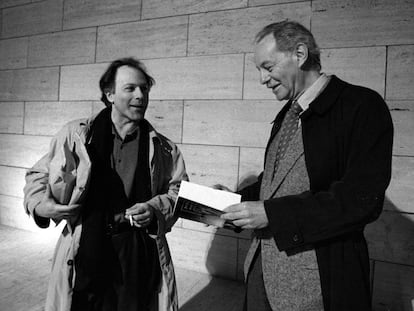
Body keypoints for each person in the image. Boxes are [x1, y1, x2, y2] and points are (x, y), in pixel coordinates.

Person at [220, 21, 393, 310]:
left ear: (299, 54)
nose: (262, 79)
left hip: (316, 289)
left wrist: (272, 215)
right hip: (260, 277)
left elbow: (361, 199)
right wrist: (230, 201)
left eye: (268, 66)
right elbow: (275, 184)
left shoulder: (361, 105)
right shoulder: (288, 113)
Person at [23, 57, 188, 311]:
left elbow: (179, 191)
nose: (140, 95)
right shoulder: (77, 135)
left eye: (144, 88)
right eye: (130, 88)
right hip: (87, 243)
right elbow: (38, 174)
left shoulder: (164, 148)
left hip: (136, 252)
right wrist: (40, 206)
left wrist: (155, 209)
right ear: (109, 94)